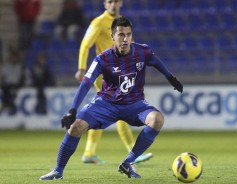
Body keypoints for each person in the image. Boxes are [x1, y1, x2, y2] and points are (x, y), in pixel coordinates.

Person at [40, 16, 183, 180]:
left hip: (134, 104)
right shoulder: (102, 58)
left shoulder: (142, 51)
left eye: (128, 34)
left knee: (157, 119)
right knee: (75, 127)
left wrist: (170, 77)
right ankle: (58, 171)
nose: (125, 39)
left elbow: (155, 61)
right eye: (121, 35)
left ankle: (128, 162)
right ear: (112, 37)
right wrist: (72, 109)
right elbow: (86, 83)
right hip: (107, 103)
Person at [75, 0, 152, 165]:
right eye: (110, 1)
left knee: (103, 111)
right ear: (105, 4)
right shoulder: (98, 22)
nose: (113, 5)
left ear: (121, 3)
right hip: (106, 74)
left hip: (121, 73)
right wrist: (82, 68)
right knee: (122, 109)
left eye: (116, 1)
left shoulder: (122, 24)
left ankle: (89, 152)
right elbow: (85, 44)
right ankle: (133, 151)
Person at [0, 48, 24, 115]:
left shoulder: (19, 66)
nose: (13, 59)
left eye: (15, 57)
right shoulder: (6, 66)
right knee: (5, 88)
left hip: (15, 84)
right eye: (12, 57)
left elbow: (20, 77)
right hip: (7, 84)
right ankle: (7, 104)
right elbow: (3, 76)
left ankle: (8, 104)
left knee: (10, 90)